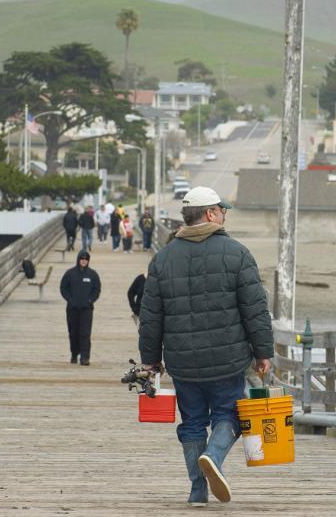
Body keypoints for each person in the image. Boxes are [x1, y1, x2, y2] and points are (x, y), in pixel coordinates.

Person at [138, 186, 274, 506]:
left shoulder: (163, 259)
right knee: (230, 415)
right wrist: (263, 352)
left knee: (193, 422)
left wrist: (150, 360)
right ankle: (213, 455)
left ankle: (197, 490)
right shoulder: (237, 253)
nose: (224, 215)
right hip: (228, 358)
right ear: (211, 214)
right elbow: (255, 309)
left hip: (183, 362)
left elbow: (151, 316)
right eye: (222, 210)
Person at [59, 250, 101, 366]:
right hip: (72, 308)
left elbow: (97, 290)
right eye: (82, 259)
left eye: (86, 259)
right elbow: (63, 288)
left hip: (86, 309)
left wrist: (90, 300)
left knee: (85, 333)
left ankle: (85, 357)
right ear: (78, 259)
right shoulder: (70, 273)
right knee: (73, 332)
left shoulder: (92, 275)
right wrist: (70, 300)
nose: (84, 261)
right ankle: (74, 354)